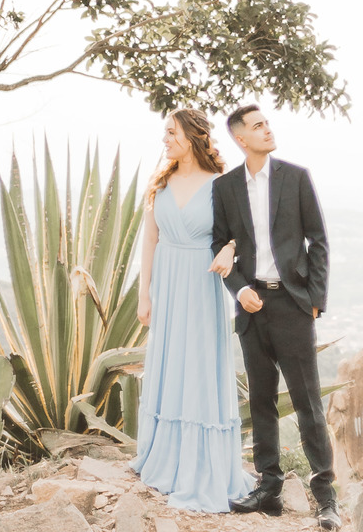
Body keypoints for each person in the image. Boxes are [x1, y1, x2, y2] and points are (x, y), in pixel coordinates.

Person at [211, 105, 338, 530]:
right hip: (251, 308)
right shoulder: (226, 187)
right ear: (240, 138)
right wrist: (240, 289)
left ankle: (325, 499)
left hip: (293, 305)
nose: (268, 129)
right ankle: (269, 490)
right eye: (258, 126)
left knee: (307, 405)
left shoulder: (295, 176)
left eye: (267, 123)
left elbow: (317, 239)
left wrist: (315, 299)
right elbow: (220, 244)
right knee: (262, 401)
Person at [131, 108, 248, 512]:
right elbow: (149, 240)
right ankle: (164, 456)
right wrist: (144, 295)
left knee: (197, 367)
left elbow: (238, 236)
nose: (164, 139)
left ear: (192, 136)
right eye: (164, 132)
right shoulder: (159, 182)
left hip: (202, 286)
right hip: (167, 284)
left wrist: (231, 249)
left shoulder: (221, 184)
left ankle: (201, 464)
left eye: (171, 132)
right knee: (169, 364)